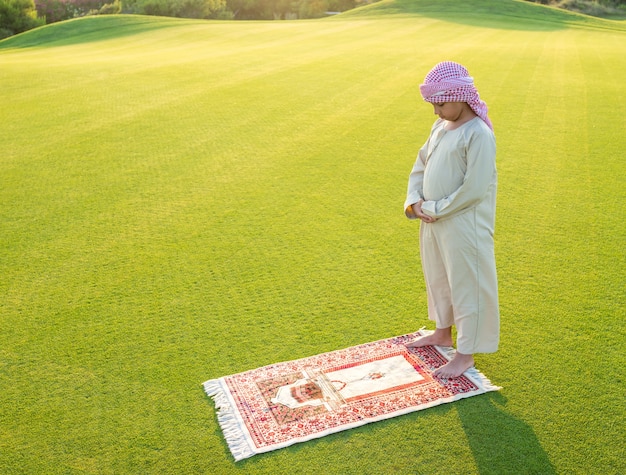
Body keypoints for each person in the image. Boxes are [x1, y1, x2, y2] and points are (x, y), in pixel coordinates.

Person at [404, 61, 499, 378]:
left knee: (466, 286)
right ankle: (442, 332)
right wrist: (414, 201)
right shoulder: (440, 127)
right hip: (433, 221)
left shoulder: (479, 135)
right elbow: (421, 163)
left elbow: (473, 190)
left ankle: (464, 354)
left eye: (440, 104)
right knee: (439, 278)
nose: (436, 111)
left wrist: (433, 208)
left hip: (462, 228)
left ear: (461, 96)